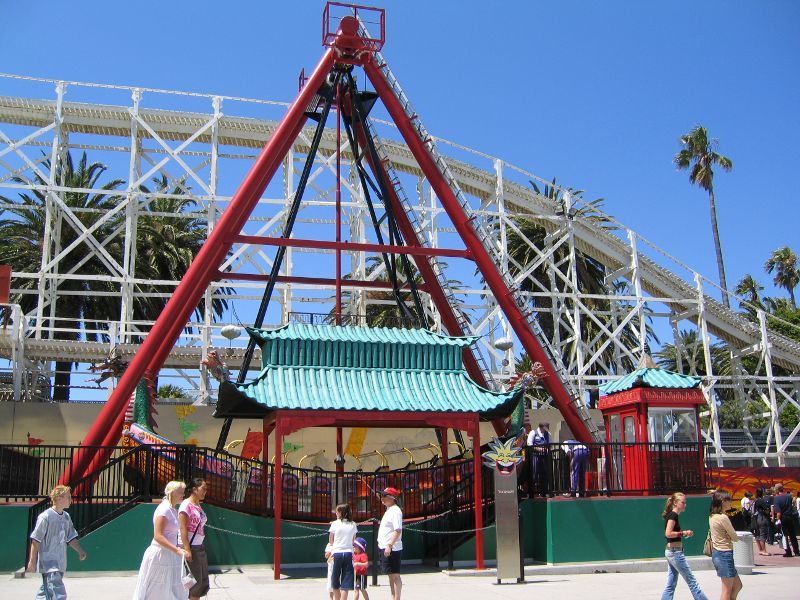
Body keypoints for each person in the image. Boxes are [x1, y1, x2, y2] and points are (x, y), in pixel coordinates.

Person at [27, 485, 87, 600]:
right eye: (68, 497)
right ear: (59, 498)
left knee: (45, 592)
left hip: (60, 563)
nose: (71, 500)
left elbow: (70, 538)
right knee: (58, 594)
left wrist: (80, 551)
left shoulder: (66, 517)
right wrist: (32, 561)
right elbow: (36, 539)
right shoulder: (45, 517)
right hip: (49, 564)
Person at [132, 480, 190, 600]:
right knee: (157, 591)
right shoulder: (164, 509)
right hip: (160, 555)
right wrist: (177, 550)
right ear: (172, 493)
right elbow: (158, 536)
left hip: (171, 554)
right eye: (181, 492)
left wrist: (177, 550)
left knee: (172, 590)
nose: (183, 495)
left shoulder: (172, 509)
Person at [660, 492, 708, 600]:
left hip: (672, 551)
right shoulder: (673, 515)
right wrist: (684, 533)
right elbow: (668, 533)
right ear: (676, 503)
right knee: (692, 582)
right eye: (683, 502)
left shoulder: (672, 515)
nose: (685, 505)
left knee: (671, 583)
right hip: (675, 552)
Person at [179, 478, 209, 599]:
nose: (205, 492)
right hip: (191, 547)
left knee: (202, 582)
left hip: (199, 546)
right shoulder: (186, 505)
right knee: (195, 584)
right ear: (194, 489)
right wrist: (187, 550)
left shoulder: (197, 505)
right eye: (203, 489)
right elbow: (182, 528)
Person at [709, 490, 742, 600]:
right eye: (729, 500)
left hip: (718, 553)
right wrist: (730, 536)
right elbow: (734, 537)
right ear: (723, 501)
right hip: (724, 553)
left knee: (737, 585)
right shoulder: (723, 517)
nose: (731, 502)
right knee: (727, 590)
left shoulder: (713, 516)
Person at [377, 487, 403, 600]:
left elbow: (397, 530)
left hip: (392, 548)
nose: (382, 498)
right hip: (385, 547)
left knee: (395, 575)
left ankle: (396, 598)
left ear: (392, 498)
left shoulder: (396, 511)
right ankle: (393, 597)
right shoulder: (389, 510)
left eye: (385, 496)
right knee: (390, 574)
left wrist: (389, 545)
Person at [328, 503, 357, 600]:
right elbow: (353, 541)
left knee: (335, 577)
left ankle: (337, 598)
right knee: (347, 578)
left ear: (340, 512)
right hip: (349, 553)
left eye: (337, 511)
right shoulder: (353, 524)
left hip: (337, 553)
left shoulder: (335, 524)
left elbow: (330, 540)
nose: (336, 513)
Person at [772, 483, 799, 557]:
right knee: (792, 535)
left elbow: (778, 512)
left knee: (784, 535)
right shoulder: (788, 496)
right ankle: (796, 551)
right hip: (790, 517)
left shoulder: (776, 498)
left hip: (783, 518)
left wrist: (777, 520)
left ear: (776, 490)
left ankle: (788, 552)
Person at [526, 422, 552, 497]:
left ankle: (544, 492)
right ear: (542, 427)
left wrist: (546, 449)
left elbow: (550, 444)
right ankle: (531, 493)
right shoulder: (533, 433)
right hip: (535, 456)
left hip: (545, 457)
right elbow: (529, 444)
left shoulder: (548, 434)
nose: (547, 429)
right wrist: (538, 449)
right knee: (534, 474)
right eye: (546, 427)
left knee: (545, 474)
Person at [751, 488, 772, 556]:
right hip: (762, 517)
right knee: (763, 533)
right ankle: (764, 550)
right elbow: (766, 509)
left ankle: (760, 549)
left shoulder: (755, 501)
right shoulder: (761, 501)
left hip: (755, 518)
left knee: (757, 534)